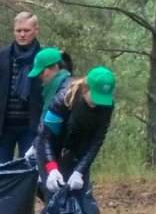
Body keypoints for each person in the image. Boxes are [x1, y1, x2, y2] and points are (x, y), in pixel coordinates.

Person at [34, 66, 115, 197]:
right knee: (53, 196)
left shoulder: (106, 106)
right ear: (85, 88)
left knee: (78, 196)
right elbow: (46, 138)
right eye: (95, 97)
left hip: (76, 150)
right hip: (50, 148)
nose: (98, 103)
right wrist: (52, 169)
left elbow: (96, 141)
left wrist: (79, 172)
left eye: (102, 99)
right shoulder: (63, 100)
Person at [0, 11, 42, 164]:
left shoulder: (43, 58)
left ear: (36, 30)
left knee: (28, 169)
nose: (22, 34)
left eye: (26, 30)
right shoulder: (1, 57)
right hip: (3, 126)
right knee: (2, 169)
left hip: (32, 126)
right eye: (18, 31)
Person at [26, 47, 74, 128]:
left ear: (55, 67)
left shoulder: (64, 91)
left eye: (42, 72)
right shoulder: (51, 88)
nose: (39, 76)